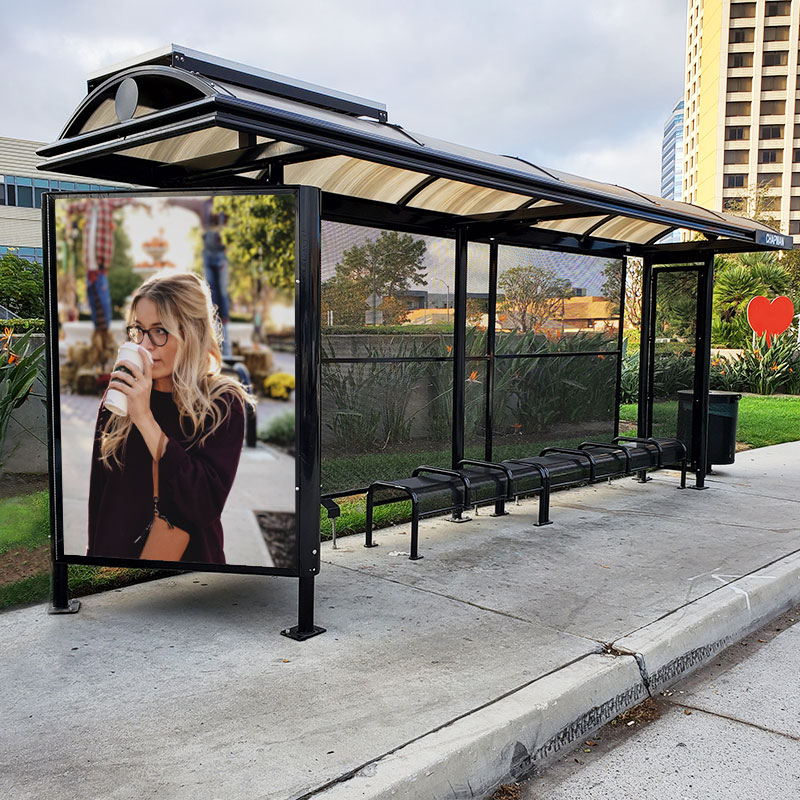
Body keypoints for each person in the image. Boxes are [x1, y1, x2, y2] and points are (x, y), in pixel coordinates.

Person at [87, 273, 255, 564]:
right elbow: (99, 496)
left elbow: (203, 503)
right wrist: (92, 566)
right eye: (138, 329)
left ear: (191, 332)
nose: (146, 345)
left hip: (192, 577)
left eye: (160, 331)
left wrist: (145, 419)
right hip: (117, 573)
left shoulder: (222, 404)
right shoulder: (120, 395)